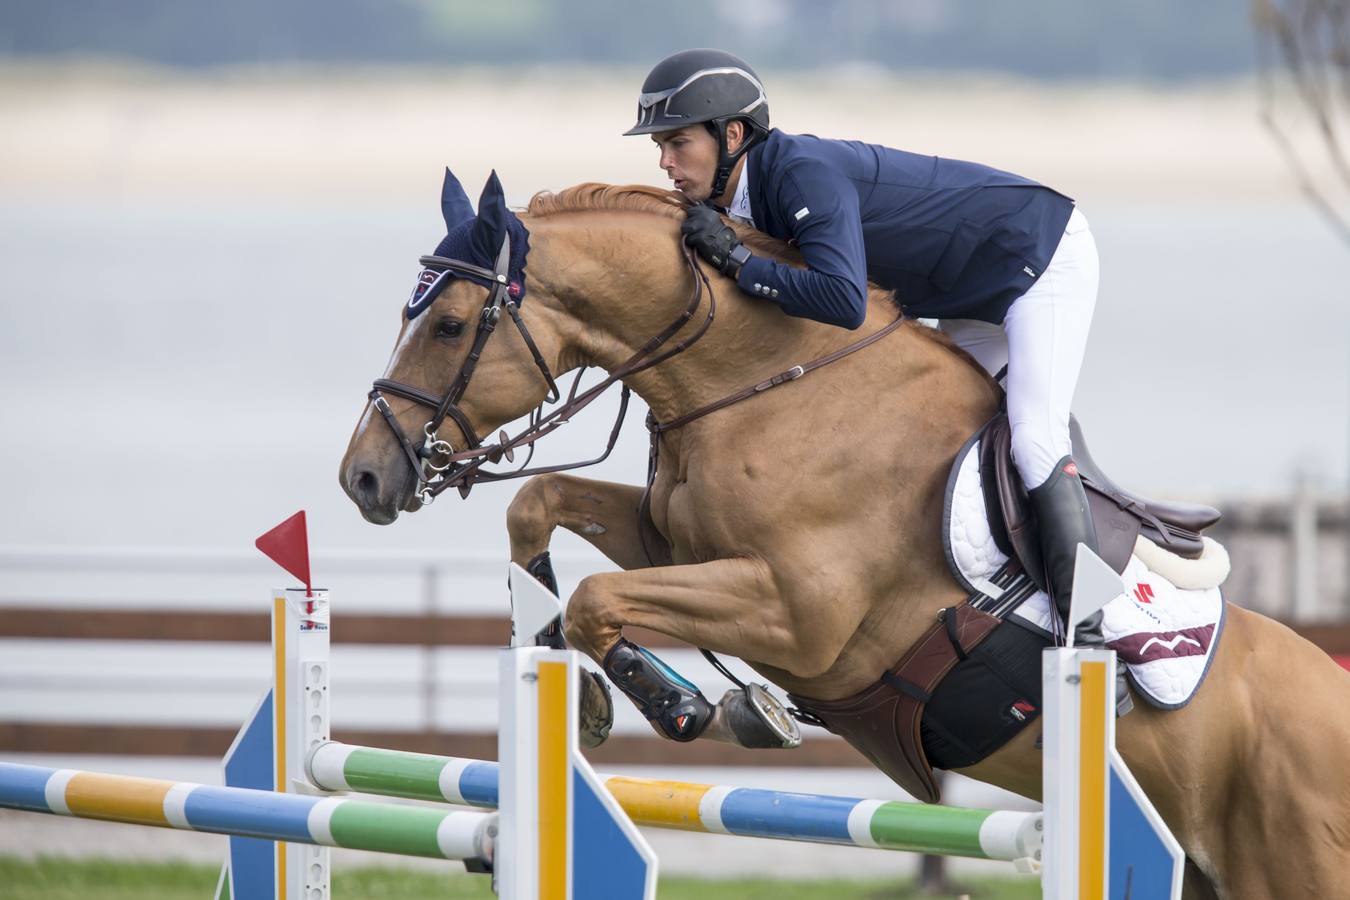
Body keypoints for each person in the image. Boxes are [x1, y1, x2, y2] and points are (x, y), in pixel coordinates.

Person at [624, 48, 1126, 709]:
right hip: (966, 290)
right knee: (941, 441)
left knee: (1033, 436)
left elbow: (841, 301)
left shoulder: (800, 174)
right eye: (661, 146)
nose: (665, 162)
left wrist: (740, 263)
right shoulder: (744, 197)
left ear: (733, 135)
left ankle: (1096, 644)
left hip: (1037, 258)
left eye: (677, 143)